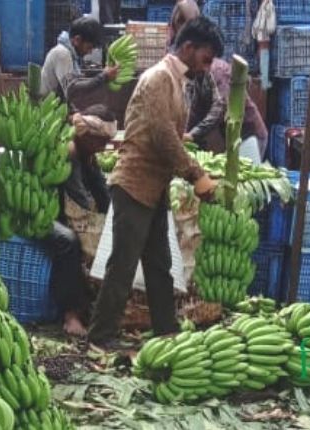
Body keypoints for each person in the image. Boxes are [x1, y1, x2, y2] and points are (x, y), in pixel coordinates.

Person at [87, 17, 221, 348]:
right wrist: (196, 175)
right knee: (123, 264)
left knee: (159, 264)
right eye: (205, 59)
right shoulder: (159, 78)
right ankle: (100, 337)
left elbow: (169, 136)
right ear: (188, 48)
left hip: (153, 187)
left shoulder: (178, 82)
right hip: (134, 184)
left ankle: (166, 332)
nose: (206, 68)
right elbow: (163, 136)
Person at [45, 105, 115, 336]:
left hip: (64, 212)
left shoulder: (87, 154)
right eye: (101, 141)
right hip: (41, 213)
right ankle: (70, 316)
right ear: (87, 135)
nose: (104, 148)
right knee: (69, 242)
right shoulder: (70, 151)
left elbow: (101, 192)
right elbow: (81, 198)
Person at [185, 58, 268, 159]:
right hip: (223, 137)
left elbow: (221, 108)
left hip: (246, 134)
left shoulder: (218, 70)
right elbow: (193, 111)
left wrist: (192, 134)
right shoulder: (193, 76)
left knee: (246, 171)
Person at [40, 17, 119, 99]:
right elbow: (72, 91)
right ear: (77, 40)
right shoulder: (62, 54)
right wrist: (103, 77)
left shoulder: (71, 55)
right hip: (50, 109)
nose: (90, 52)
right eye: (89, 47)